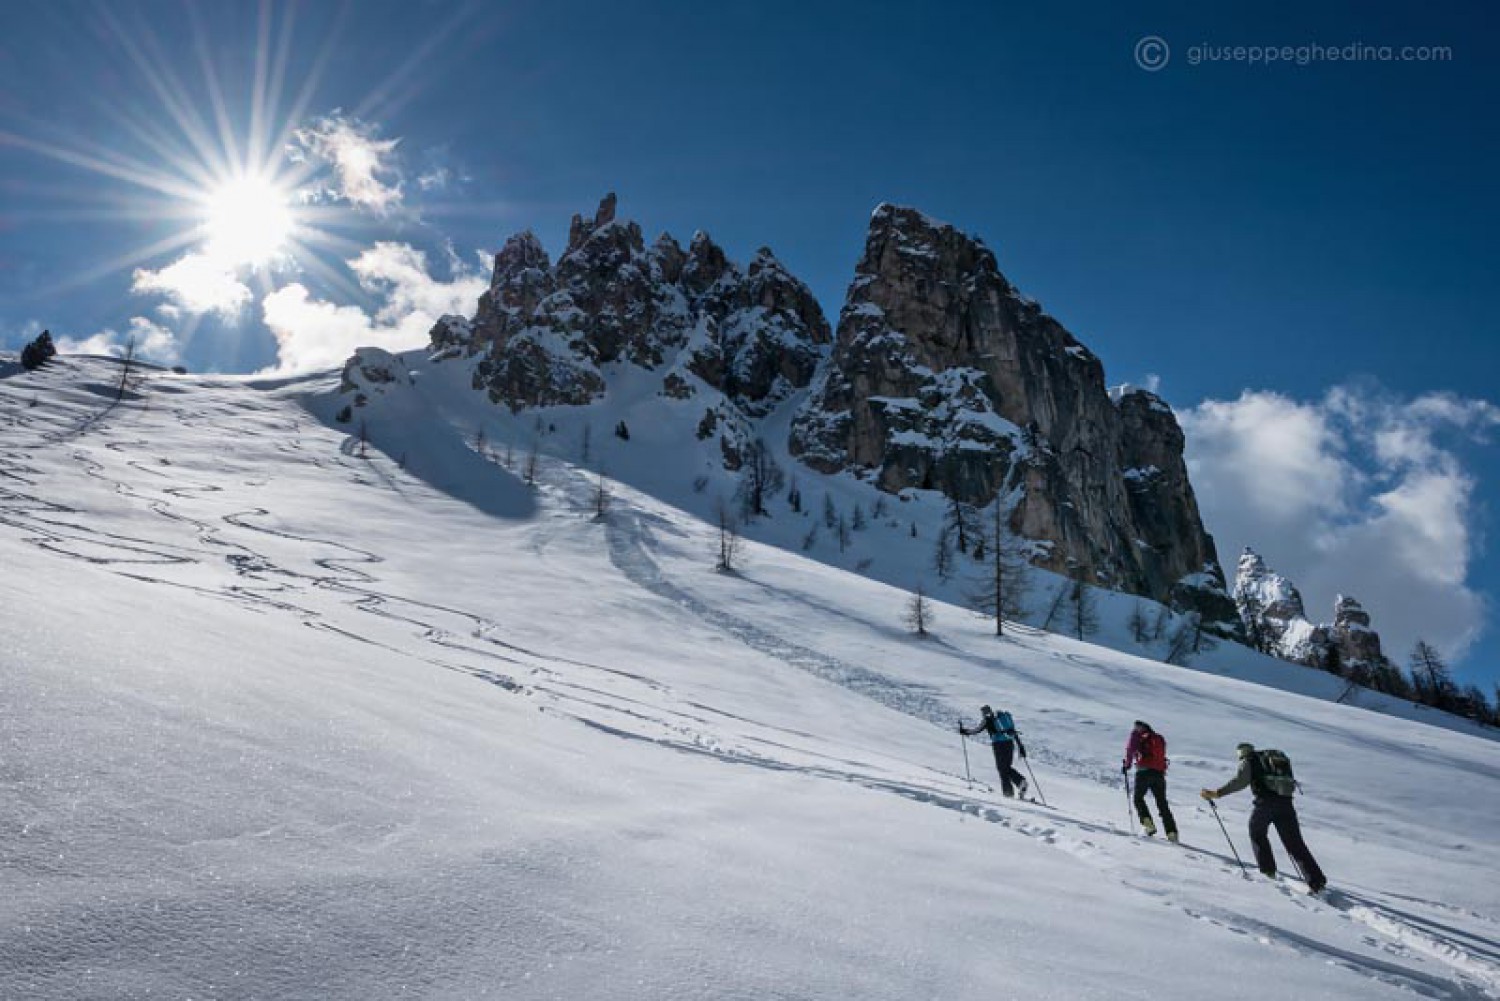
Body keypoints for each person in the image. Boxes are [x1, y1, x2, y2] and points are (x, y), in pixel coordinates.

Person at [1201, 742, 1327, 893]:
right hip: (1286, 804)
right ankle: (1317, 882)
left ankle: (1268, 871)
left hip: (1265, 804)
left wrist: (1217, 793)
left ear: (1241, 753)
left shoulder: (1249, 760)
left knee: (1256, 832)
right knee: (1295, 843)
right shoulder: (1271, 760)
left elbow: (1240, 782)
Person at [1122, 720, 1177, 842]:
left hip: (1144, 772)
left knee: (1138, 798)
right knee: (1162, 803)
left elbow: (1130, 748)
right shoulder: (1158, 738)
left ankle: (1148, 825)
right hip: (1159, 774)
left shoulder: (1137, 734)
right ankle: (1172, 832)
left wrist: (1127, 764)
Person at [959, 705, 1028, 798]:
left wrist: (965, 731)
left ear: (983, 713)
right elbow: (1013, 732)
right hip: (1009, 744)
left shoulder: (987, 720)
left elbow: (976, 730)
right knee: (1006, 767)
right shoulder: (1001, 718)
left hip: (999, 746)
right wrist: (1020, 746)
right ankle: (1018, 784)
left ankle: (1010, 792)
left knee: (1002, 769)